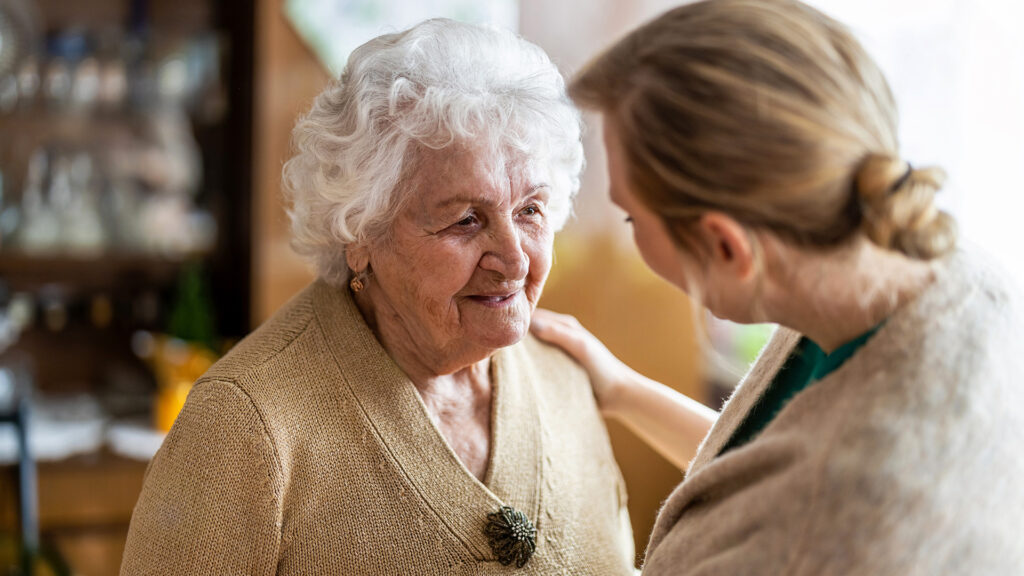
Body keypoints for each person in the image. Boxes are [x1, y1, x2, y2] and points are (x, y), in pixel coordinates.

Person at [121, 19, 636, 575]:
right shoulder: (243, 427)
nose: (513, 260)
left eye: (530, 210)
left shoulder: (565, 377)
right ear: (360, 234)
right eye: (466, 220)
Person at [531, 0, 1024, 574]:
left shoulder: (833, 528)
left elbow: (800, 504)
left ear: (726, 247)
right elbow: (766, 469)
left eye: (631, 218)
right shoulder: (941, 272)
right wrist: (621, 389)